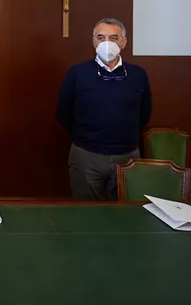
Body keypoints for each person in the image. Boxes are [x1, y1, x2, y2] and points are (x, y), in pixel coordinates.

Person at [55, 17, 151, 201]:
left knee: (126, 213)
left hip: (127, 156)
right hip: (87, 155)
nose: (107, 43)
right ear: (93, 41)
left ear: (124, 42)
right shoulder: (77, 72)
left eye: (113, 38)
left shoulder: (138, 75)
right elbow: (63, 112)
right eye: (101, 37)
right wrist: (86, 137)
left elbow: (144, 113)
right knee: (86, 212)